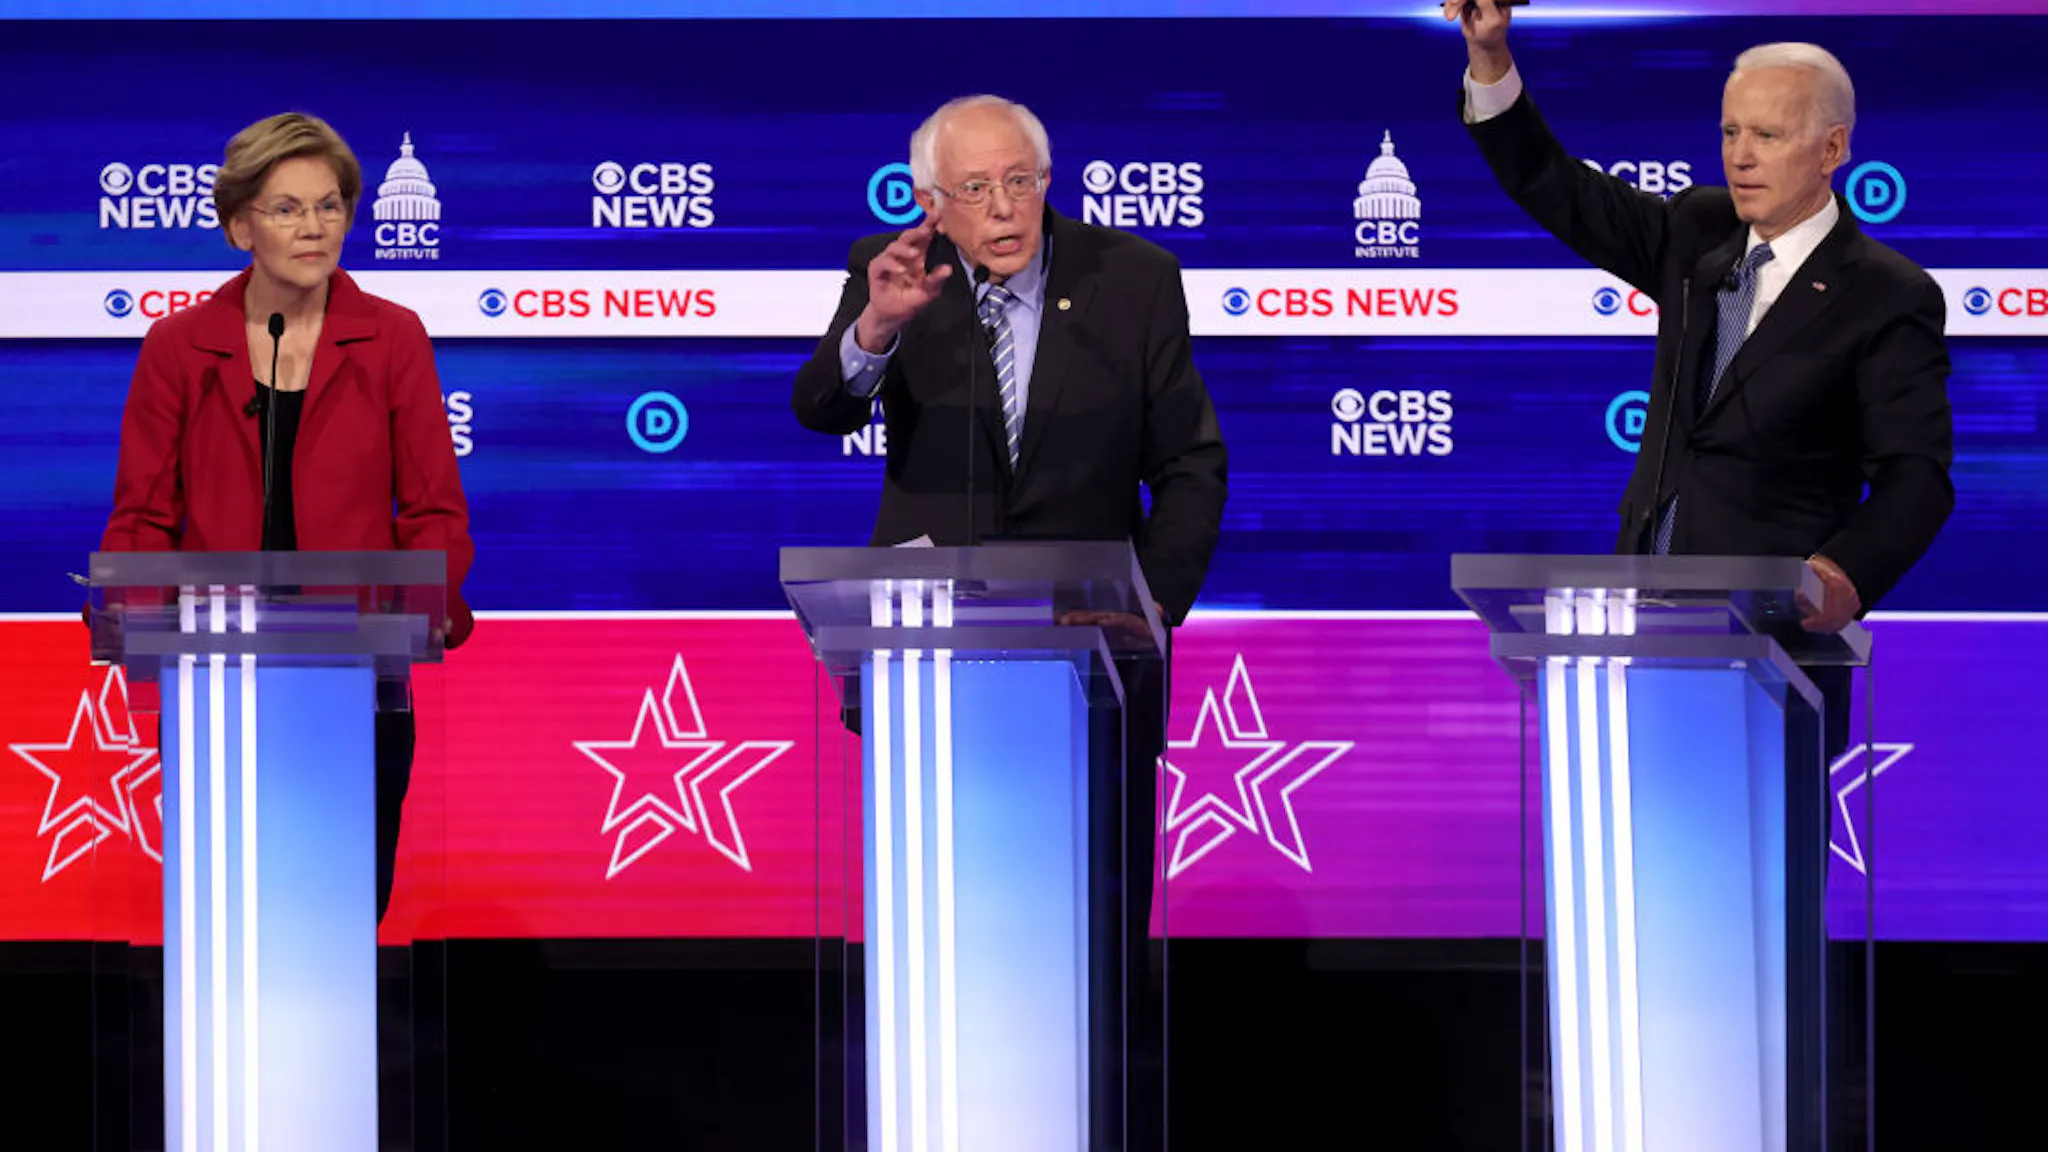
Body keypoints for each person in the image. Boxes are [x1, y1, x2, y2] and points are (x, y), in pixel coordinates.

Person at [793, 93, 1227, 1151]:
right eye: (975, 189)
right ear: (931, 204)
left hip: (1094, 678)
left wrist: (1151, 610)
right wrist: (873, 329)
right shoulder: (891, 272)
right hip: (929, 676)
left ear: (1046, 179)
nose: (1003, 209)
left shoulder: (1131, 281)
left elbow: (1190, 466)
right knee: (940, 938)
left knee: (1090, 952)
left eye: (1019, 182)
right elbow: (820, 407)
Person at [1448, 1, 1953, 763]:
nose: (1740, 156)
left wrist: (1845, 572)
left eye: (1767, 136)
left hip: (1775, 653)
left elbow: (1916, 475)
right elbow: (1557, 188)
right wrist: (1490, 59)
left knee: (1758, 877)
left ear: (1833, 148)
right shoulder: (1698, 233)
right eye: (1729, 132)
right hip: (1639, 633)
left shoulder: (1886, 293)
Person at [98, 111, 475, 925]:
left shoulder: (392, 339)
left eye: (330, 205)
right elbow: (142, 517)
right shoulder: (179, 347)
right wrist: (133, 619)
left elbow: (437, 510)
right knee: (230, 914)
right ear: (239, 226)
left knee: (340, 913)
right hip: (218, 681)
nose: (315, 227)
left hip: (359, 676)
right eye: (287, 208)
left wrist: (428, 601)